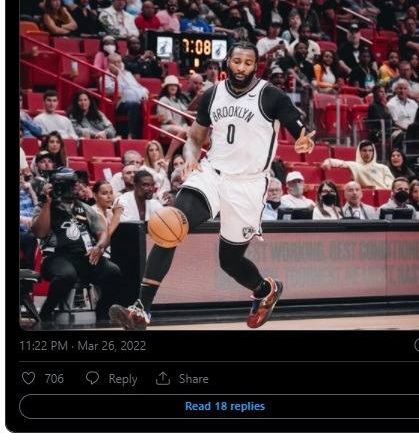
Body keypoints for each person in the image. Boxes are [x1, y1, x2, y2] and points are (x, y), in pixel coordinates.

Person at [109, 41, 316, 331]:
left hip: (248, 184)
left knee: (229, 262)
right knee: (172, 224)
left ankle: (264, 290)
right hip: (212, 173)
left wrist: (303, 138)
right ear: (227, 62)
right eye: (237, 61)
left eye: (248, 62)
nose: (241, 67)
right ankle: (141, 309)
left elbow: (297, 127)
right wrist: (191, 158)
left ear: (255, 66)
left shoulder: (271, 95)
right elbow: (194, 138)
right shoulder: (212, 95)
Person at [31, 171, 122, 325]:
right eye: (62, 186)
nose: (68, 189)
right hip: (56, 257)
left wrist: (99, 247)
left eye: (70, 185)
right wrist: (47, 202)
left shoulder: (85, 208)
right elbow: (40, 232)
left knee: (113, 272)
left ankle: (102, 312)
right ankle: (46, 311)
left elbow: (103, 233)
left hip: (85, 255)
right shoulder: (43, 207)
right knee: (67, 275)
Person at [105, 53, 149, 138]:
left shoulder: (128, 74)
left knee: (144, 106)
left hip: (139, 101)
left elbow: (139, 87)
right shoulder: (105, 76)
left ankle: (143, 136)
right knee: (134, 104)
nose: (118, 64)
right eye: (115, 63)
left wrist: (144, 92)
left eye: (119, 62)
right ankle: (131, 134)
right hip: (120, 105)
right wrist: (117, 76)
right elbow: (115, 90)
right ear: (109, 64)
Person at [322, 139, 394, 189]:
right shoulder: (354, 165)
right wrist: (327, 161)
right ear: (359, 152)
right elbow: (339, 162)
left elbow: (391, 185)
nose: (367, 153)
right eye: (364, 150)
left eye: (370, 150)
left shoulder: (383, 167)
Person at [157, 75, 191, 160]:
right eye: (171, 85)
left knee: (195, 131)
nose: (173, 87)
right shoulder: (163, 100)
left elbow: (185, 112)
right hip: (166, 127)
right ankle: (168, 157)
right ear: (166, 87)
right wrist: (183, 127)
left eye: (175, 85)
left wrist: (198, 113)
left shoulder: (176, 100)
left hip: (178, 125)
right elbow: (169, 120)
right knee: (183, 131)